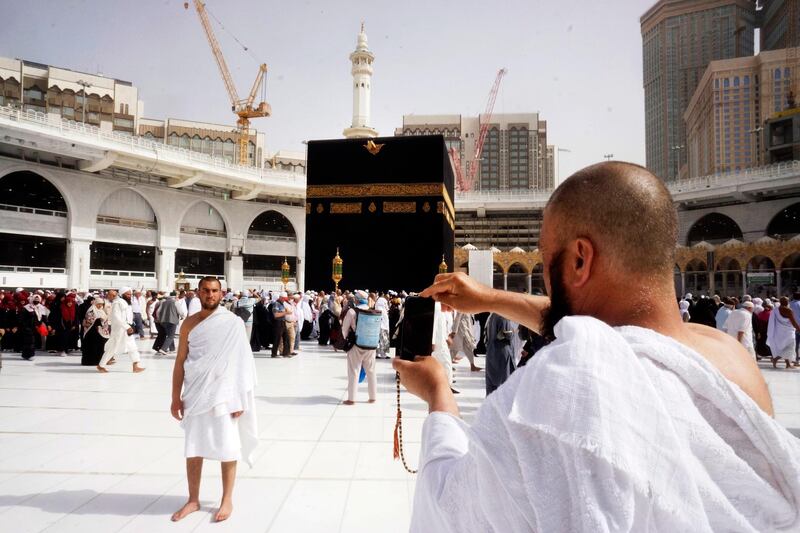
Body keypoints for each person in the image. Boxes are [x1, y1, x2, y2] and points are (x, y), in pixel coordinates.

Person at [395, 162, 798, 532]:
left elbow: (451, 509)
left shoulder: (566, 386)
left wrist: (439, 397)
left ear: (579, 260)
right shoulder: (730, 357)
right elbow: (599, 329)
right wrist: (490, 298)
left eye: (549, 260)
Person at [170, 277, 258, 523]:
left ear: (222, 294)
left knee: (228, 448)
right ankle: (193, 499)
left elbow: (243, 362)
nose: (210, 294)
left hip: (225, 396)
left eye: (215, 291)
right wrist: (175, 397)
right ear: (198, 293)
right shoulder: (189, 324)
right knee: (193, 448)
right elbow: (180, 362)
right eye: (206, 290)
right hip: (196, 394)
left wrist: (240, 398)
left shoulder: (233, 323)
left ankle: (227, 499)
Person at [97, 287, 145, 374]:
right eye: (127, 294)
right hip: (119, 330)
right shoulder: (117, 303)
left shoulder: (127, 303)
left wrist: (130, 326)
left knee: (132, 347)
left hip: (127, 329)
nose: (129, 296)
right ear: (122, 294)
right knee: (113, 348)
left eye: (130, 294)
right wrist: (126, 326)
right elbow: (117, 317)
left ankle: (136, 365)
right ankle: (101, 365)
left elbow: (128, 316)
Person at [342, 290, 376, 405]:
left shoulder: (352, 311)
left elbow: (344, 329)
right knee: (371, 372)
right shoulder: (372, 311)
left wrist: (348, 339)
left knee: (353, 371)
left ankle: (351, 399)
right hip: (370, 345)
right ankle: (373, 397)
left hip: (356, 344)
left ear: (356, 299)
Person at [483, 312, 516, 395]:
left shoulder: (491, 316)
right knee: (504, 383)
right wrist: (513, 332)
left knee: (492, 384)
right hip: (502, 353)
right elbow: (505, 334)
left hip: (491, 352)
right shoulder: (502, 316)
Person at [768, 296, 800, 369]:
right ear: (786, 302)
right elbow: (793, 322)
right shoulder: (789, 310)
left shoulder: (775, 310)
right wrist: (798, 329)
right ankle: (775, 359)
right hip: (788, 332)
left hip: (779, 332)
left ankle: (788, 364)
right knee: (789, 348)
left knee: (783, 347)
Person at [19, 293, 49, 360]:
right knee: (30, 341)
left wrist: (48, 324)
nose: (37, 301)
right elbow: (22, 318)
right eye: (35, 299)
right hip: (28, 327)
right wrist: (24, 326)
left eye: (38, 299)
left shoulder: (41, 307)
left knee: (31, 341)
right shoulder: (27, 307)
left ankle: (25, 354)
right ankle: (30, 355)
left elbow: (44, 317)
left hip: (37, 327)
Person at [81, 297, 109, 366]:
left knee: (99, 347)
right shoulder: (91, 310)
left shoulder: (101, 311)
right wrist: (98, 320)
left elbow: (105, 320)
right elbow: (89, 320)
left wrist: (102, 321)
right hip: (91, 332)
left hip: (99, 333)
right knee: (91, 347)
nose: (100, 306)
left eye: (101, 304)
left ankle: (98, 361)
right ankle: (90, 361)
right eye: (98, 304)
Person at [270, 292, 292, 358]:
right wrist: (286, 312)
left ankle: (286, 353)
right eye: (283, 298)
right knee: (277, 338)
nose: (284, 300)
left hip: (282, 322)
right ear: (280, 297)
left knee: (286, 338)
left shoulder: (282, 304)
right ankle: (274, 354)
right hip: (278, 323)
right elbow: (276, 315)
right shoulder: (276, 304)